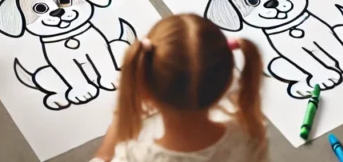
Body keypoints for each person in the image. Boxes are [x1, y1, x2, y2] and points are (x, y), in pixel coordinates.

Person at [90, 14, 268, 162]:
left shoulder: (133, 156)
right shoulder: (250, 135)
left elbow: (102, 158)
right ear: (229, 81)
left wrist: (120, 114)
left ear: (144, 90)